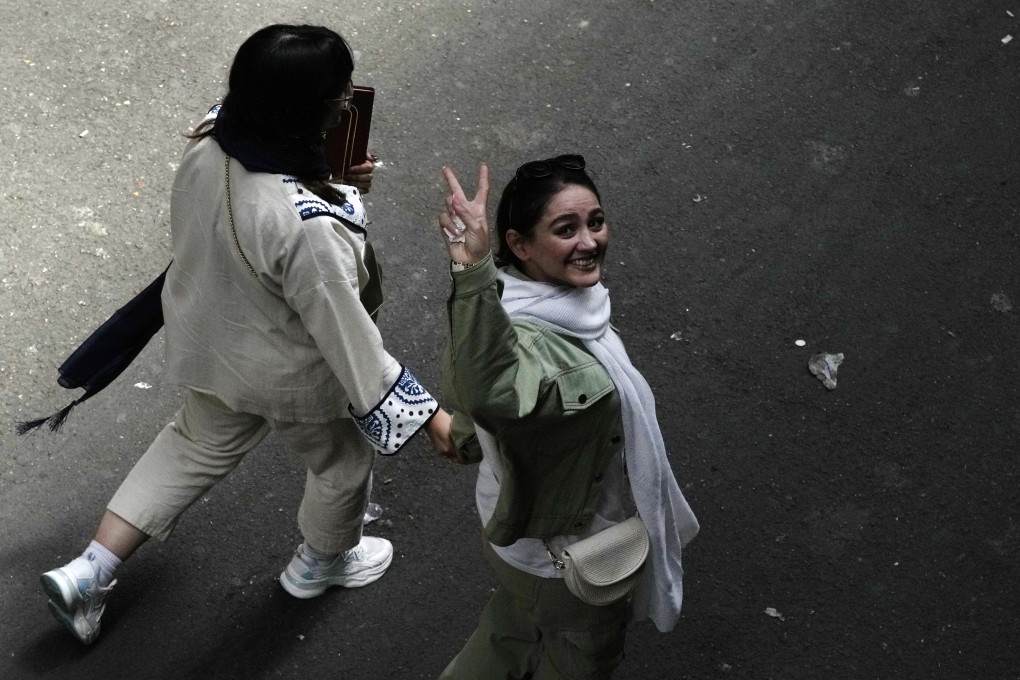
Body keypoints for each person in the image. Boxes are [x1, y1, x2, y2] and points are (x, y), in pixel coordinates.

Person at [40, 24, 453, 646]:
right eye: (339, 99)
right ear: (308, 111)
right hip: (292, 374)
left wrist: (331, 176)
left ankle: (89, 570)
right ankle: (322, 563)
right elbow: (346, 336)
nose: (347, 106)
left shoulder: (210, 138)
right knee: (340, 464)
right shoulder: (304, 224)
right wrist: (434, 420)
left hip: (212, 343)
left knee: (191, 444)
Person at [434, 156, 699, 678]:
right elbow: (494, 395)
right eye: (565, 229)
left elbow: (478, 415)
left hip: (513, 542)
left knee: (511, 631)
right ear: (519, 244)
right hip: (565, 564)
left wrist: (464, 438)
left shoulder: (514, 305)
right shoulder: (528, 337)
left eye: (595, 222)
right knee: (578, 660)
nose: (589, 241)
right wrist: (470, 269)